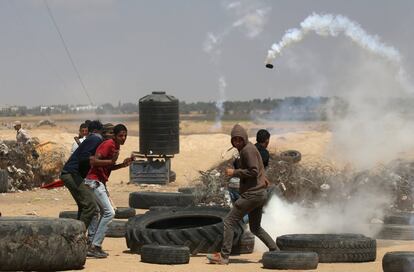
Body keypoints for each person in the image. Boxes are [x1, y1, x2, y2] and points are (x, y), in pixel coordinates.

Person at [207, 124, 278, 265]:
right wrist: (262, 177)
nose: (237, 143)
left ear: (244, 139)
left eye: (240, 140)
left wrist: (235, 172)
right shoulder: (250, 148)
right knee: (255, 228)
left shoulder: (247, 150)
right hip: (259, 194)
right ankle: (275, 251)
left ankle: (224, 256)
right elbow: (260, 167)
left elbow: (253, 170)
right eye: (235, 140)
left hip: (251, 195)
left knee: (228, 221)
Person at [85, 124, 132, 258]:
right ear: (115, 136)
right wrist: (111, 160)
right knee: (109, 213)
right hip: (94, 182)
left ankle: (92, 244)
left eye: (125, 135)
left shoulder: (116, 147)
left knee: (101, 212)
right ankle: (95, 246)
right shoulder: (109, 144)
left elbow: (108, 167)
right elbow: (94, 162)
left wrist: (123, 164)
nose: (123, 138)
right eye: (121, 135)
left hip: (98, 182)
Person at [60, 120, 104, 229]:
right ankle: (78, 237)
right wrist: (95, 159)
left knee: (84, 206)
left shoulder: (92, 139)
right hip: (72, 174)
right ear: (96, 131)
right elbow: (84, 157)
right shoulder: (96, 138)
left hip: (72, 174)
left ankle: (76, 235)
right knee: (90, 206)